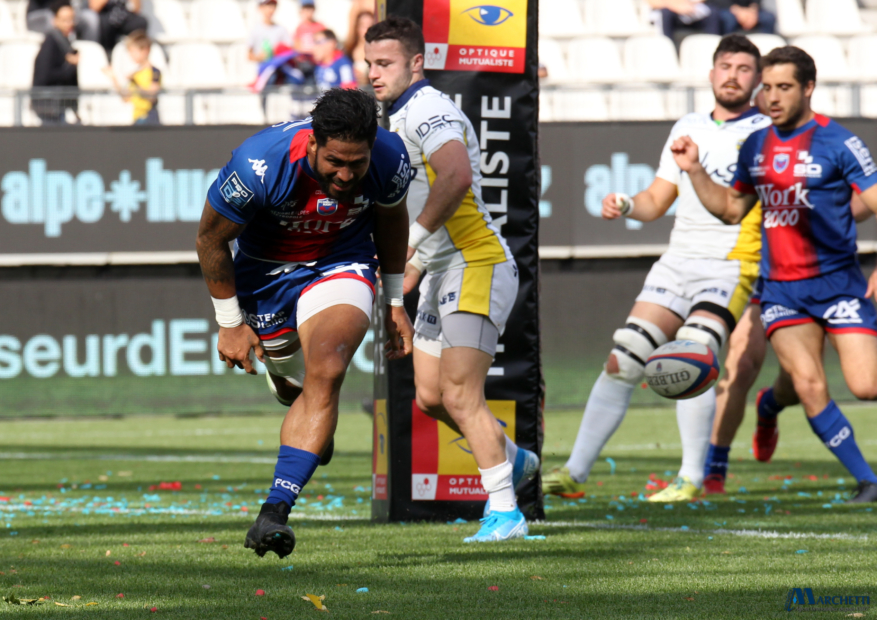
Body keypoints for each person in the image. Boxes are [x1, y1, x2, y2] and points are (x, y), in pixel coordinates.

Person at [542, 35, 771, 502]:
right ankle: (574, 473)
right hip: (676, 262)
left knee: (695, 354)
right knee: (622, 359)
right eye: (725, 65)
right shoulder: (687, 125)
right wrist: (626, 203)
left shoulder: (767, 132)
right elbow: (655, 202)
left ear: (758, 78)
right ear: (710, 74)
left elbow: (746, 206)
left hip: (730, 264)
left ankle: (690, 477)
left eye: (744, 68)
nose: (732, 75)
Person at [196, 88, 414, 558]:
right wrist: (229, 322)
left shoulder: (390, 157)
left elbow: (392, 221)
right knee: (300, 388)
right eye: (336, 161)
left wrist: (394, 301)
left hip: (342, 263)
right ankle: (303, 406)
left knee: (329, 367)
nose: (346, 174)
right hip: (265, 275)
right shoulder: (259, 165)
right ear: (313, 143)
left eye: (357, 163)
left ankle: (275, 511)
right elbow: (210, 240)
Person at [674, 46, 877, 503]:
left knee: (866, 386)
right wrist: (696, 170)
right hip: (782, 289)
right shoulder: (757, 145)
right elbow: (731, 209)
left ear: (808, 88)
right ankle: (868, 481)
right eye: (766, 87)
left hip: (839, 284)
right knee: (809, 384)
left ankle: (769, 403)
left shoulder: (841, 142)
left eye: (784, 87)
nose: (772, 97)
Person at [365, 16, 539, 542]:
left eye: (385, 63)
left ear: (416, 62)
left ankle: (507, 513)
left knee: (463, 395)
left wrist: (410, 243)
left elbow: (458, 177)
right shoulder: (394, 117)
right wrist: (405, 274)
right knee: (431, 398)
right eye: (369, 63)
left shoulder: (428, 108)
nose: (374, 73)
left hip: (477, 263)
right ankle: (515, 459)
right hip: (445, 267)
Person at [32, 0, 80, 125]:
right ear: (55, 20)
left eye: (71, 19)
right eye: (65, 20)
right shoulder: (51, 42)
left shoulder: (64, 42)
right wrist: (71, 66)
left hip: (60, 106)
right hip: (49, 108)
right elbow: (44, 76)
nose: (69, 23)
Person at [102, 30, 160, 125]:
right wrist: (114, 78)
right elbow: (126, 98)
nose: (130, 55)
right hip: (137, 117)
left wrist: (135, 82)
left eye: (133, 51)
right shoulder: (135, 74)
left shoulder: (154, 72)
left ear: (145, 50)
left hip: (149, 117)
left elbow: (152, 96)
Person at [27, 0, 99, 42]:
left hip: (66, 10)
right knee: (56, 19)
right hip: (39, 16)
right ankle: (65, 51)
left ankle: (88, 53)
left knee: (90, 17)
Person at [649, 0, 720, 39]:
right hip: (666, 9)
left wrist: (688, 4)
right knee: (666, 14)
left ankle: (711, 46)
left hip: (689, 8)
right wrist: (675, 6)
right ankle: (667, 49)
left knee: (713, 13)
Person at [345, 10, 375, 87]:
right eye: (363, 26)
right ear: (357, 28)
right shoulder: (349, 51)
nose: (367, 30)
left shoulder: (378, 52)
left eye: (370, 25)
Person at [711, 0, 777, 35]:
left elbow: (756, 2)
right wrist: (739, 12)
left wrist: (752, 11)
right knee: (728, 20)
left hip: (750, 10)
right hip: (727, 8)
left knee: (768, 18)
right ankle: (730, 45)